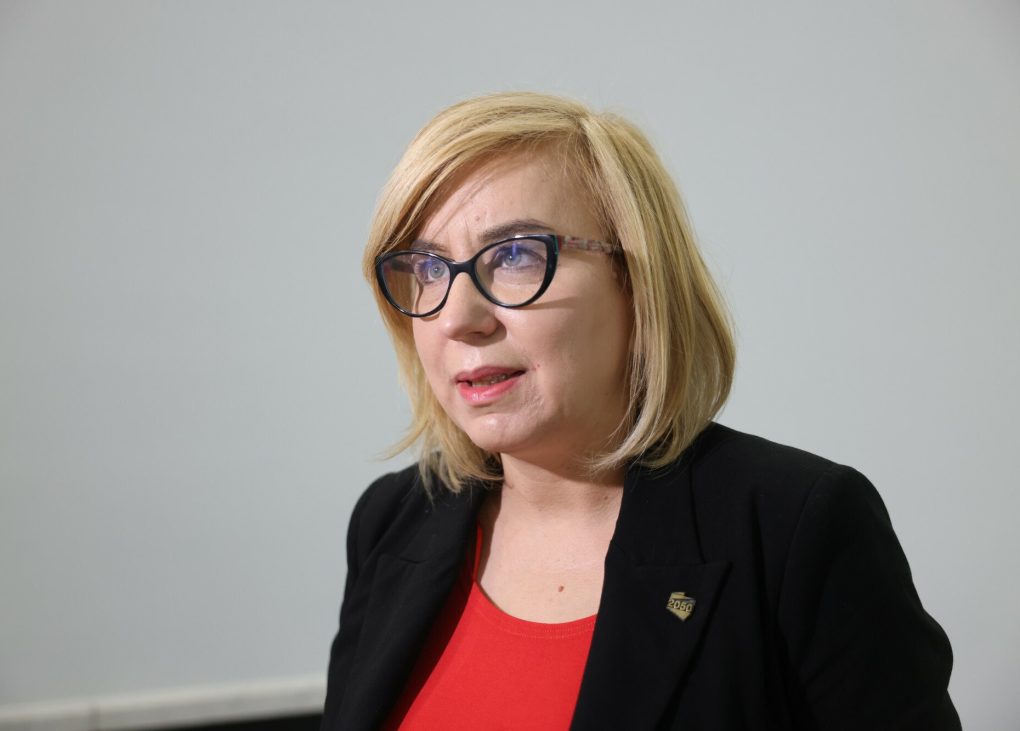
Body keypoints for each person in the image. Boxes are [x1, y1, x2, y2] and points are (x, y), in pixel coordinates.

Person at [320, 92, 960, 730]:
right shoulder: (392, 521)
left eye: (516, 254)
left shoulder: (796, 528)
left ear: (635, 283)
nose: (458, 318)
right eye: (428, 268)